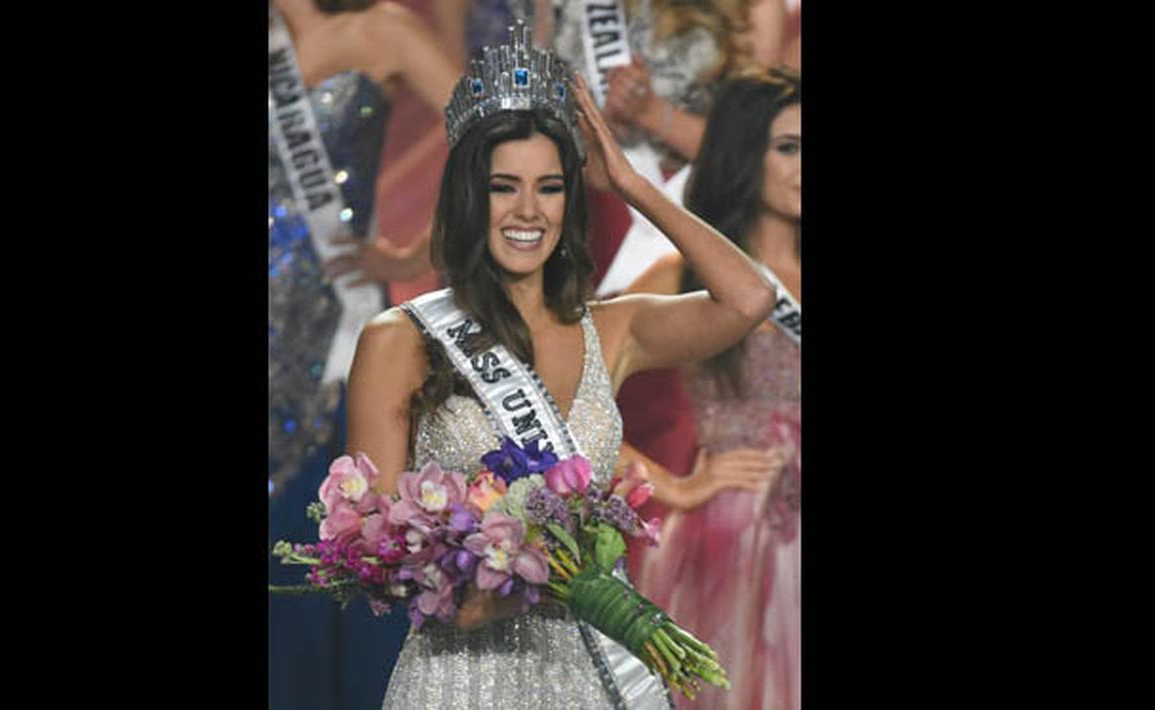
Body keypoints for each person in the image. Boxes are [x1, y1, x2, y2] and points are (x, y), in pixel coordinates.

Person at [344, 22, 777, 709]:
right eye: (502, 187)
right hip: (459, 679)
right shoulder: (401, 339)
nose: (527, 211)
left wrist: (631, 183)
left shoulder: (614, 327)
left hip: (587, 676)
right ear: (468, 195)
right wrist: (480, 586)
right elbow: (367, 543)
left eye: (549, 187)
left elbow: (750, 298)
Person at [267, 2, 461, 708]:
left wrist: (418, 250)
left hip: (334, 335)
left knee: (336, 541)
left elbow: (495, 132)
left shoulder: (382, 30)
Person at [634, 67, 801, 710]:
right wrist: (671, 483)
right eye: (788, 147)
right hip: (731, 543)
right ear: (743, 153)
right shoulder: (680, 274)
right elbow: (567, 391)